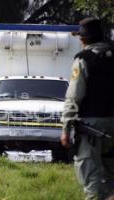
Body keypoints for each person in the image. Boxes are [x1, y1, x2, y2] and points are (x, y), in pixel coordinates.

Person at [61, 18, 114, 200]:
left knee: (91, 179)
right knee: (110, 181)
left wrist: (66, 128)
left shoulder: (83, 60)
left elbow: (74, 97)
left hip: (91, 129)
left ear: (82, 39)